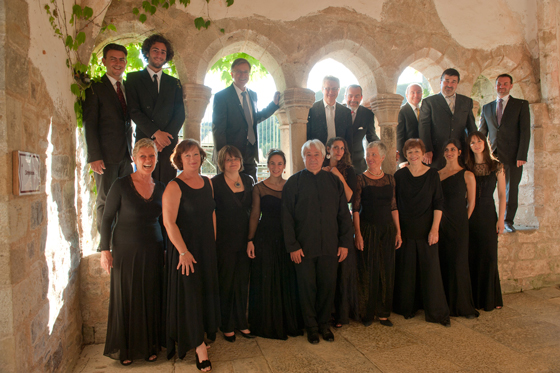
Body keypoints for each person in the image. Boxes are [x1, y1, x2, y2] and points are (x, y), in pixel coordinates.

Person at [100, 139, 165, 365]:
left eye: (152, 156)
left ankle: (149, 346)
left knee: (150, 296)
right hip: (125, 251)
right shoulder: (120, 185)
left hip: (154, 250)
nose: (148, 160)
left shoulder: (162, 187)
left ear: (157, 159)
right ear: (134, 159)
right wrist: (104, 250)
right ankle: (126, 350)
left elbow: (168, 222)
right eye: (143, 156)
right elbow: (107, 218)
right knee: (128, 297)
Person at [282, 140, 354, 344]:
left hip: (330, 246)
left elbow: (343, 215)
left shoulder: (334, 182)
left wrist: (344, 243)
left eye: (316, 154)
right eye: (308, 155)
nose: (312, 158)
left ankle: (324, 325)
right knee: (306, 289)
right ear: (303, 157)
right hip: (303, 248)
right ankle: (311, 328)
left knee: (327, 287)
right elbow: (286, 217)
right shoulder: (293, 183)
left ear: (324, 157)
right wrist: (293, 246)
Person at [163, 139, 220, 371]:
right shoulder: (174, 186)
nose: (193, 159)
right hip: (186, 251)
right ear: (179, 159)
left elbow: (212, 214)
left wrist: (212, 244)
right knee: (191, 297)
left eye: (196, 154)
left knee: (203, 293)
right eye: (187, 156)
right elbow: (169, 223)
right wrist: (183, 252)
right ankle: (199, 347)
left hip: (206, 249)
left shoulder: (208, 182)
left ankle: (201, 335)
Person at [392, 139, 450, 326]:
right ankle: (407, 308)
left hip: (427, 229)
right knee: (407, 271)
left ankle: (436, 313)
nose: (413, 155)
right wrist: (398, 231)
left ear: (423, 153)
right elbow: (395, 206)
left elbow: (438, 203)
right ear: (405, 155)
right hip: (406, 229)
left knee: (430, 272)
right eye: (409, 152)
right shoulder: (399, 175)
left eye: (416, 151)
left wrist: (435, 229)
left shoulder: (433, 174)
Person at [247, 149, 303, 340]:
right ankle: (267, 324)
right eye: (272, 163)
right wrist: (250, 240)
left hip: (286, 237)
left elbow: (297, 216)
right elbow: (255, 215)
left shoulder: (291, 186)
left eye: (280, 163)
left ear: (284, 166)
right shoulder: (259, 188)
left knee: (285, 278)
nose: (276, 167)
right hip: (266, 237)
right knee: (268, 279)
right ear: (267, 165)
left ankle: (286, 322)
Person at [83, 43, 133, 243]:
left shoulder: (127, 89)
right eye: (113, 59)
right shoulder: (95, 88)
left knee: (126, 200)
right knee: (105, 200)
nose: (118, 63)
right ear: (104, 61)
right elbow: (90, 123)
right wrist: (94, 156)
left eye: (121, 59)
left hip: (126, 156)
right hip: (104, 157)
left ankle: (120, 241)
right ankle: (106, 245)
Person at [353, 141, 402, 327]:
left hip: (387, 230)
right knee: (368, 270)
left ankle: (383, 313)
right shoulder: (360, 180)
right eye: (368, 154)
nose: (370, 158)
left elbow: (394, 206)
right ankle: (366, 312)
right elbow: (356, 209)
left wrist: (398, 231)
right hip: (368, 229)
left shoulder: (390, 179)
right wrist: (357, 234)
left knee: (386, 270)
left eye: (374, 154)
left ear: (382, 157)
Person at [127, 34, 185, 185]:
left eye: (163, 52)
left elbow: (180, 114)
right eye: (155, 50)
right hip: (145, 140)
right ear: (147, 53)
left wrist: (163, 140)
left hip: (167, 143)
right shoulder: (133, 79)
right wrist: (156, 134)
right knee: (144, 184)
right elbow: (134, 111)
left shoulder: (174, 83)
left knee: (167, 186)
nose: (159, 55)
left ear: (166, 56)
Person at [212, 58, 280, 181]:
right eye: (239, 71)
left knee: (250, 189)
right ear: (232, 74)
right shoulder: (222, 96)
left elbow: (253, 119)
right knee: (230, 190)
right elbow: (218, 129)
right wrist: (224, 156)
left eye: (246, 72)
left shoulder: (253, 95)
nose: (243, 75)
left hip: (250, 153)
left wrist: (273, 106)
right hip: (231, 155)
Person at [212, 145, 254, 342]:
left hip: (245, 241)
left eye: (235, 158)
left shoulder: (248, 180)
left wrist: (251, 239)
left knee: (241, 282)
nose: (233, 162)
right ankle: (226, 324)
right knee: (226, 283)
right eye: (228, 159)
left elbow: (253, 211)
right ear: (222, 162)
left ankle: (241, 323)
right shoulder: (215, 183)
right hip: (224, 241)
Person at [479, 74, 531, 232]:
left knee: (511, 188)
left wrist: (522, 155)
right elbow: (482, 132)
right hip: (492, 156)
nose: (501, 86)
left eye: (505, 84)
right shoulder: (487, 107)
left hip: (513, 156)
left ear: (511, 86)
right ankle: (489, 219)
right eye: (499, 84)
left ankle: (508, 221)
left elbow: (525, 131)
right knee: (486, 188)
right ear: (495, 86)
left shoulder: (520, 105)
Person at [437, 139, 479, 319]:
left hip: (459, 223)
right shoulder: (437, 174)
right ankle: (445, 304)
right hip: (441, 223)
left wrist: (462, 219)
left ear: (459, 152)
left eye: (452, 149)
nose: (449, 152)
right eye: (446, 150)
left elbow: (472, 202)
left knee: (459, 262)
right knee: (443, 261)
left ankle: (462, 306)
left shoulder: (467, 175)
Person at [465, 131, 506, 311]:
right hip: (471, 215)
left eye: (479, 141)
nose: (476, 145)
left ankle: (491, 298)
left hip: (489, 214)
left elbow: (503, 195)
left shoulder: (497, 166)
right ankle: (474, 298)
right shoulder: (467, 166)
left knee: (489, 255)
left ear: (485, 143)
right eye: (472, 142)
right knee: (472, 255)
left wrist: (501, 220)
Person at [322, 137, 359, 327]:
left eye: (342, 148)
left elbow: (350, 196)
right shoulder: (319, 167)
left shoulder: (348, 170)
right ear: (328, 149)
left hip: (342, 220)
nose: (338, 151)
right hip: (323, 222)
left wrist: (337, 173)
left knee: (342, 270)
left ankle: (341, 315)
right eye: (335, 147)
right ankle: (326, 313)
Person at [419, 68, 477, 169]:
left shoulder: (466, 102)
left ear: (457, 83)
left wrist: (475, 148)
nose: (449, 85)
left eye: (453, 82)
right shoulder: (429, 102)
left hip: (460, 152)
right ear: (441, 82)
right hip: (436, 152)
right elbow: (424, 127)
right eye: (447, 81)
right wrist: (427, 150)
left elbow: (471, 127)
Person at [307, 76, 353, 156]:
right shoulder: (312, 110)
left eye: (334, 88)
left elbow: (348, 139)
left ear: (338, 90)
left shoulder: (346, 112)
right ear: (322, 89)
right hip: (318, 156)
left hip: (339, 157)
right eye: (327, 88)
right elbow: (308, 136)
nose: (331, 92)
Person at [345, 84, 379, 173]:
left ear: (361, 97)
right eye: (350, 96)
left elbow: (371, 137)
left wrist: (384, 148)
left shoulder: (367, 114)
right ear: (345, 97)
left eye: (357, 96)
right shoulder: (338, 112)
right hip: (340, 160)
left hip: (358, 162)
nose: (353, 99)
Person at [397, 83, 423, 166]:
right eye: (413, 92)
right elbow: (399, 136)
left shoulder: (424, 110)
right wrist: (402, 161)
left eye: (419, 92)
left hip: (422, 157)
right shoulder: (401, 111)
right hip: (408, 157)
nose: (416, 95)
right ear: (406, 95)